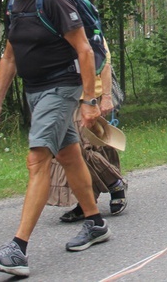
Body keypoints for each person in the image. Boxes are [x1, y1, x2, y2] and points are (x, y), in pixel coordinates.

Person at [0, 0, 110, 277]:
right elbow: (9, 57)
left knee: (37, 160)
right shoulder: (14, 4)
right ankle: (95, 223)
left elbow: (83, 49)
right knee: (69, 155)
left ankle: (17, 249)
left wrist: (90, 99)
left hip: (60, 87)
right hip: (34, 91)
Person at [50, 37, 128, 222]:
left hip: (90, 98)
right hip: (64, 97)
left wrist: (107, 97)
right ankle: (87, 203)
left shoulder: (88, 28)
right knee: (68, 151)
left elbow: (105, 64)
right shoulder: (55, 30)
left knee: (84, 149)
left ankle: (115, 183)